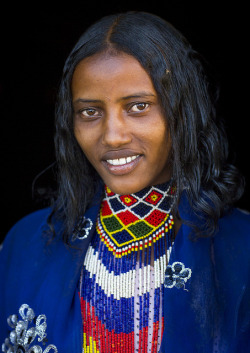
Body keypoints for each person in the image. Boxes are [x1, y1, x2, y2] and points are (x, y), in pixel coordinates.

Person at [0, 11, 249, 353]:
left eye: (138, 106)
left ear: (183, 110)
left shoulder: (242, 250)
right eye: (90, 112)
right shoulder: (23, 247)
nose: (113, 136)